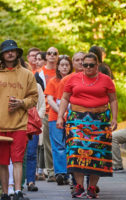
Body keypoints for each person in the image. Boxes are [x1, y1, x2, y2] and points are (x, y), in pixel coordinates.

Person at [0, 40, 38, 200]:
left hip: (20, 124)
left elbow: (34, 98)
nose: (10, 53)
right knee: (2, 161)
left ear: (18, 54)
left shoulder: (27, 74)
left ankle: (18, 191)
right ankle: (5, 192)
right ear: (2, 55)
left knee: (18, 160)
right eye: (7, 51)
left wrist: (22, 103)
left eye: (13, 51)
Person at [57, 53, 118, 199]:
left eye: (92, 65)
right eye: (85, 65)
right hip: (76, 120)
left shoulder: (106, 80)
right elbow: (65, 98)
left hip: (100, 120)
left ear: (97, 65)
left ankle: (91, 187)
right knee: (76, 150)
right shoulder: (73, 79)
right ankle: (79, 186)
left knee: (97, 153)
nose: (88, 68)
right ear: (82, 65)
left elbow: (113, 100)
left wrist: (114, 118)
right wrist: (60, 116)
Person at [44, 56, 73, 185]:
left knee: (70, 145)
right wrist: (61, 112)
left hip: (72, 117)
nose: (65, 67)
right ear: (58, 67)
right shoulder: (53, 81)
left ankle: (70, 172)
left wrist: (67, 113)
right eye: (62, 65)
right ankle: (61, 173)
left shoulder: (74, 80)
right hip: (55, 117)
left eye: (67, 65)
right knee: (58, 146)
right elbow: (50, 99)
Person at [38, 47, 59, 182]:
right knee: (47, 144)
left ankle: (61, 171)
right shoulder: (40, 73)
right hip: (46, 111)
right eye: (49, 53)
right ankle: (51, 172)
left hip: (63, 112)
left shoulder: (62, 71)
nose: (52, 55)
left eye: (54, 53)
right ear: (46, 56)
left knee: (60, 143)